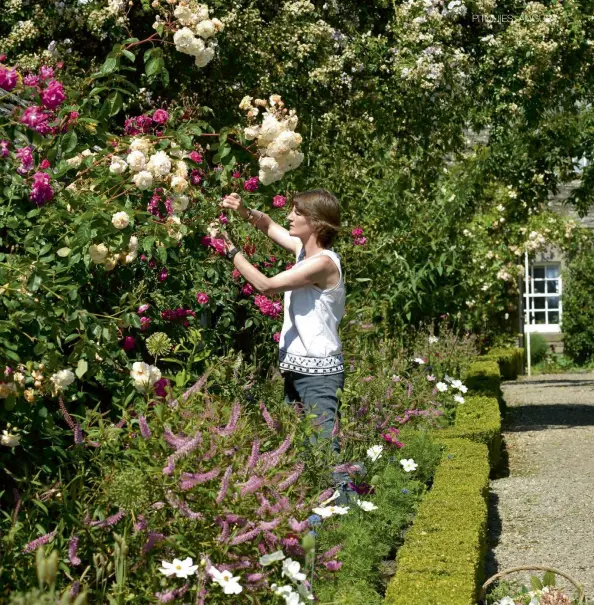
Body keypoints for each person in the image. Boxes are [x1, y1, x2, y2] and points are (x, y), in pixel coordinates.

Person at [219, 189, 346, 456]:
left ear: (316, 223)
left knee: (324, 454)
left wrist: (231, 251)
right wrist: (243, 210)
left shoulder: (322, 264)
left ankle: (344, 498)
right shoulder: (303, 252)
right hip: (297, 370)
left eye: (297, 213)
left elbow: (266, 286)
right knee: (300, 455)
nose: (288, 217)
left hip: (319, 377)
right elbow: (267, 224)